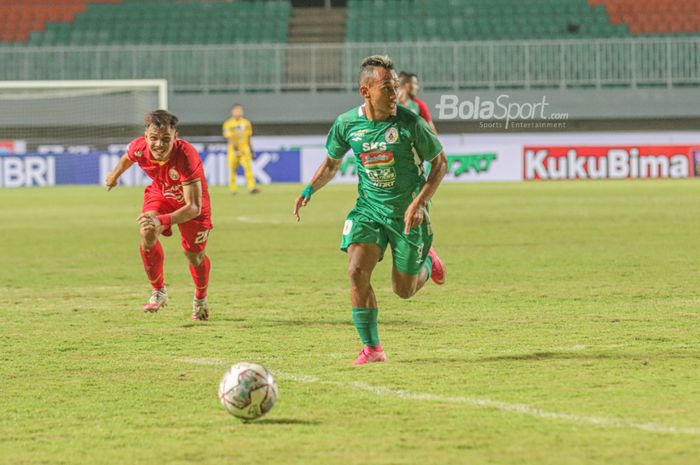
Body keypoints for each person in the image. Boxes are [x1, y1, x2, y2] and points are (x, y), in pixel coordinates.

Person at [293, 55, 448, 366]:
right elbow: (332, 163)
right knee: (356, 271)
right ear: (365, 91)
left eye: (394, 89)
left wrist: (419, 203)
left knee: (402, 290)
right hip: (368, 209)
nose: (394, 96)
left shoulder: (411, 123)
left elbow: (441, 164)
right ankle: (373, 349)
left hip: (407, 213)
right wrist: (310, 188)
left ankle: (428, 264)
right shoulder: (347, 124)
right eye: (387, 89)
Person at [105, 110, 212, 321]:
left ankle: (200, 298)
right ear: (146, 137)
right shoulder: (139, 147)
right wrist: (114, 175)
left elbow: (193, 208)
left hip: (191, 204)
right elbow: (128, 157)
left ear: (175, 137)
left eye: (165, 139)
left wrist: (162, 220)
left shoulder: (186, 157)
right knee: (146, 230)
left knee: (194, 255)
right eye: (153, 138)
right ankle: (159, 291)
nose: (159, 145)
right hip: (161, 192)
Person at [222, 104, 260, 194]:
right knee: (232, 169)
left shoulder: (246, 123)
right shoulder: (228, 124)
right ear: (232, 112)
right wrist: (236, 150)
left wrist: (251, 150)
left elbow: (249, 138)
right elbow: (229, 138)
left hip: (244, 149)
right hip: (232, 149)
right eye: (236, 110)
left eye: (240, 110)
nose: (238, 112)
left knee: (248, 168)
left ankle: (251, 187)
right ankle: (233, 189)